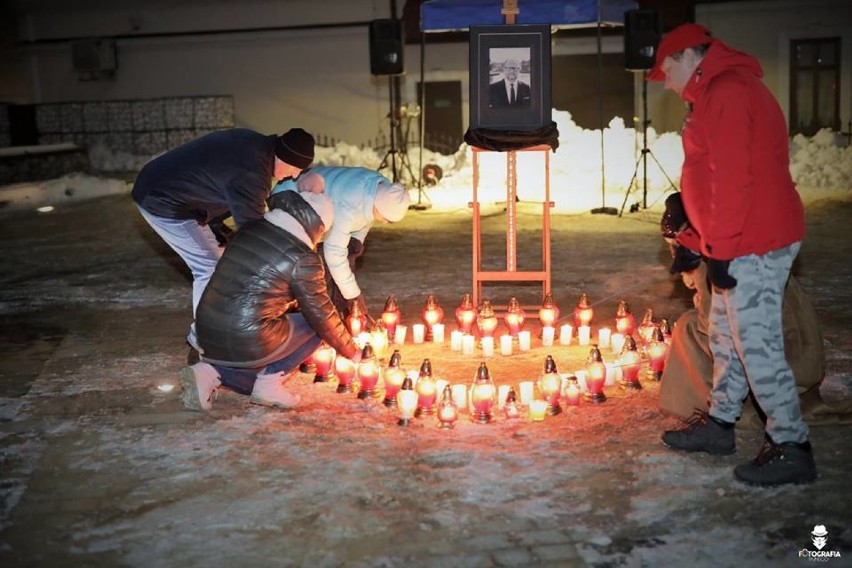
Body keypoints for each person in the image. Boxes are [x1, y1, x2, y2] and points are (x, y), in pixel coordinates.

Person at [648, 23, 816, 486]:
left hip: (755, 240)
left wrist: (718, 248)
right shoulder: (716, 91)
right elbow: (713, 174)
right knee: (725, 334)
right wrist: (694, 240)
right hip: (738, 237)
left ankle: (792, 446)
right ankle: (722, 424)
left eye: (667, 71)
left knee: (756, 344)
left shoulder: (727, 90)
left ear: (685, 56)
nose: (669, 83)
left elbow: (735, 179)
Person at [659, 193, 852, 428]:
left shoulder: (709, 266)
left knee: (688, 327)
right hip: (801, 355)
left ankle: (717, 406)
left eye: (673, 245)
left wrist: (700, 297)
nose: (673, 252)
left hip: (780, 365)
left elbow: (720, 331)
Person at [132, 127, 316, 357]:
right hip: (162, 200)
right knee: (209, 267)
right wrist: (280, 271)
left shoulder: (254, 142)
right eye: (296, 169)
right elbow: (253, 234)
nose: (295, 176)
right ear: (284, 158)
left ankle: (212, 329)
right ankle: (203, 340)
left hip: (167, 186)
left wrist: (217, 224)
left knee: (219, 261)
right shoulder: (252, 174)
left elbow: (217, 179)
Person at [179, 187, 361, 411]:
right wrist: (353, 352)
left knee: (247, 378)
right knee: (316, 327)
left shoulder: (250, 229)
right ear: (315, 224)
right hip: (243, 334)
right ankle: (269, 383)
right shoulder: (302, 256)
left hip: (206, 327)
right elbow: (321, 315)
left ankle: (208, 372)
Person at [273, 166, 411, 320]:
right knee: (315, 266)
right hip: (290, 196)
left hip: (322, 201)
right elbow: (334, 254)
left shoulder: (379, 189)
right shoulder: (349, 205)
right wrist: (353, 295)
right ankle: (306, 318)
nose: (385, 223)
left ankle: (340, 315)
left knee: (345, 259)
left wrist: (356, 241)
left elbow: (365, 217)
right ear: (379, 207)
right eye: (387, 219)